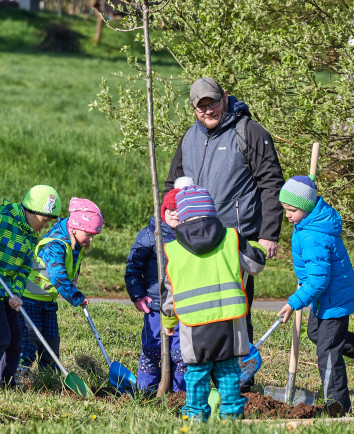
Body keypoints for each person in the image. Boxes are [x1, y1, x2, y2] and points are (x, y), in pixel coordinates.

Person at [163, 77, 284, 389]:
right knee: (201, 311)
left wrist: (269, 234)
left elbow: (271, 183)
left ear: (225, 98)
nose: (208, 110)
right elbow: (170, 186)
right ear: (193, 108)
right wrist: (169, 214)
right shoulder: (188, 138)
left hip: (235, 241)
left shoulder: (249, 132)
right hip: (191, 242)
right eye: (201, 105)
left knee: (233, 312)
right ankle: (207, 380)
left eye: (213, 102)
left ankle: (239, 382)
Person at [276, 175, 354, 415]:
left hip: (332, 299)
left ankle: (338, 407)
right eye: (285, 209)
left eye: (292, 210)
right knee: (317, 334)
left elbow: (319, 280)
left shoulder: (314, 235)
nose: (287, 215)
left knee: (327, 352)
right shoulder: (306, 224)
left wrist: (293, 303)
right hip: (324, 298)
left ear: (306, 208)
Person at [161, 185, 267, 421]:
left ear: (184, 215)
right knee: (228, 371)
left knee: (197, 372)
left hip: (193, 325)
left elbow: (170, 289)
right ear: (212, 211)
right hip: (228, 321)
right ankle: (231, 416)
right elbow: (256, 264)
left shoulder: (174, 249)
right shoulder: (231, 237)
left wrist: (168, 319)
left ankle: (195, 416)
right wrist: (257, 246)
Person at [0, 185, 61, 389]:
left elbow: (24, 268)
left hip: (6, 295)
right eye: (44, 220)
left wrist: (15, 293)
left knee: (17, 340)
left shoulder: (31, 236)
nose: (45, 226)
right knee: (0, 337)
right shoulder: (2, 219)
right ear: (31, 211)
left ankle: (6, 383)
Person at [16, 197, 102, 374]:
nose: (91, 240)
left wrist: (75, 276)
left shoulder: (74, 239)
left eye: (94, 235)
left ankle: (50, 376)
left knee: (51, 340)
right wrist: (75, 296)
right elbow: (58, 277)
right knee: (30, 338)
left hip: (47, 300)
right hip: (29, 298)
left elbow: (71, 264)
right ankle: (18, 372)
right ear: (76, 227)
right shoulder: (55, 244)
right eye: (89, 234)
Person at [125, 186, 187, 392]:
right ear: (163, 212)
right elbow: (133, 267)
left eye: (180, 210)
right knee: (152, 349)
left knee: (180, 353)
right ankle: (146, 390)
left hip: (182, 308)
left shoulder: (190, 237)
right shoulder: (150, 235)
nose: (175, 214)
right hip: (155, 305)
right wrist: (137, 295)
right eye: (170, 210)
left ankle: (180, 393)